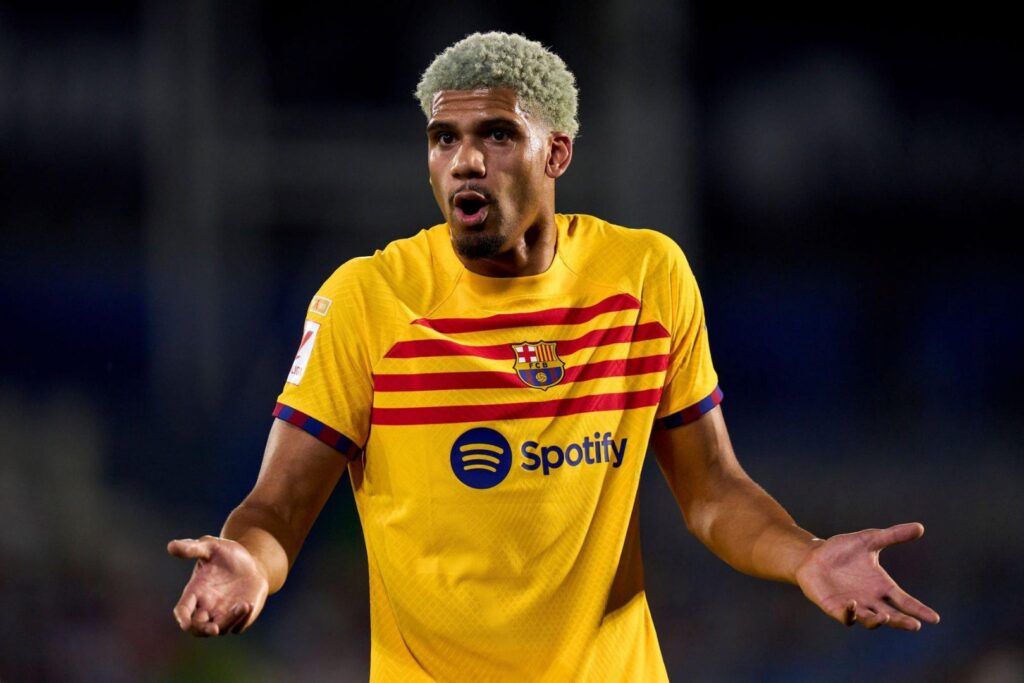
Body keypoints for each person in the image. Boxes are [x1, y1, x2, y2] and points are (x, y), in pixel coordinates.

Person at [168, 31, 939, 680]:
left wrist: (803, 557)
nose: (466, 160)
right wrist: (247, 561)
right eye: (445, 139)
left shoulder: (646, 277)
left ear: (557, 152)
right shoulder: (369, 299)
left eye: (497, 134)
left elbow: (711, 492)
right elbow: (280, 505)